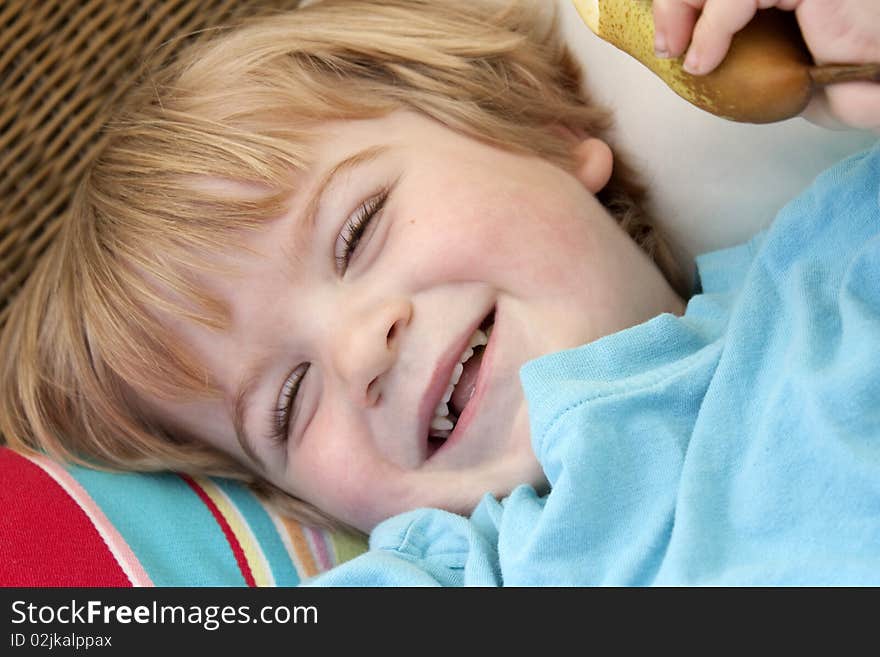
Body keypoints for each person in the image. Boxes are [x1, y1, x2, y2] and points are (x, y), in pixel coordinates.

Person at [0, 0, 877, 585]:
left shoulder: (837, 263)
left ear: (546, 134)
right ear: (313, 508)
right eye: (289, 400)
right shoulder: (454, 576)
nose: (357, 351)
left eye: (356, 230)